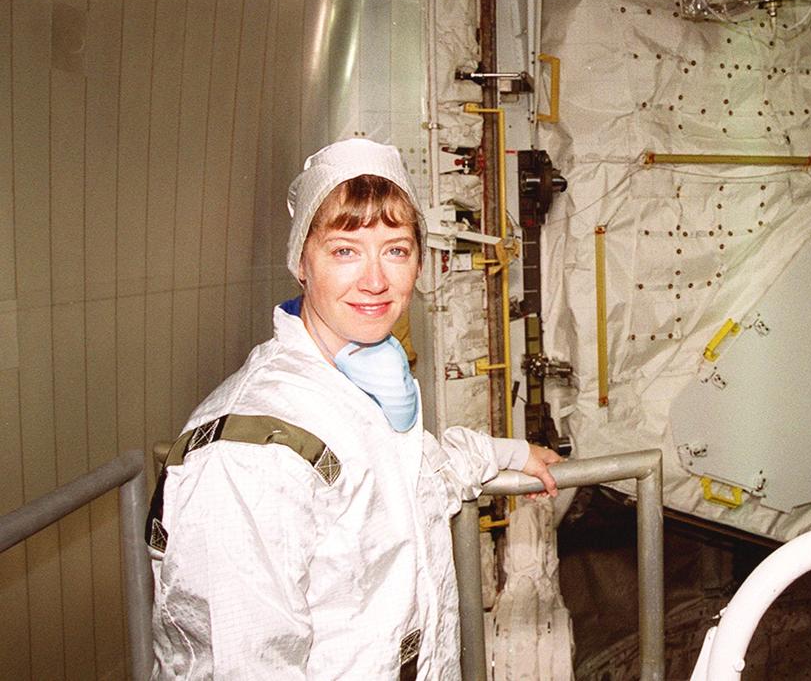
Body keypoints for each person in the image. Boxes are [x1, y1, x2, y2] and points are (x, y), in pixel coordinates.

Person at [147, 138, 561, 679]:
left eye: (396, 249)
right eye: (345, 249)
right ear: (302, 261)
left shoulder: (360, 388)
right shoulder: (250, 454)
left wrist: (510, 453)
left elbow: (415, 479)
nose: (375, 280)